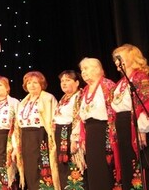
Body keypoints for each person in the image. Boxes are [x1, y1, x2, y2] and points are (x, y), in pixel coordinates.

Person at [111, 44, 149, 190]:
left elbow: (145, 102)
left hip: (133, 124)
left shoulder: (140, 77)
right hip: (122, 126)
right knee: (126, 163)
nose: (116, 62)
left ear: (130, 58)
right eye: (115, 59)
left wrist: (142, 129)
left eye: (119, 58)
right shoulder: (120, 83)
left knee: (137, 163)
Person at [13, 71, 60, 190]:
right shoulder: (24, 102)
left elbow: (54, 119)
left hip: (41, 136)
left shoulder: (48, 98)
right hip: (26, 138)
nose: (32, 85)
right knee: (30, 169)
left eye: (35, 82)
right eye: (29, 83)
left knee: (42, 168)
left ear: (41, 84)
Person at [78, 57, 118, 190]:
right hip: (90, 130)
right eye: (82, 70)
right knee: (94, 166)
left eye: (86, 68)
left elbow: (114, 109)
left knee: (105, 165)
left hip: (104, 130)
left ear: (97, 69)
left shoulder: (107, 85)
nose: (83, 72)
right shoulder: (85, 90)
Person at [52, 70, 85, 190]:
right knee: (63, 167)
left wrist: (75, 138)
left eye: (68, 80)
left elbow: (80, 117)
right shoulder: (64, 98)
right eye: (62, 81)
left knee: (74, 165)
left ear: (77, 82)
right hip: (61, 133)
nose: (64, 83)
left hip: (72, 132)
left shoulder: (80, 96)